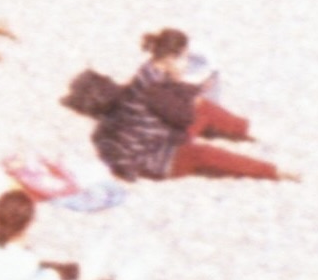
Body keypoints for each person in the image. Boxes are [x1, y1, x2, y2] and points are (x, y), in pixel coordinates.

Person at [91, 29, 296, 183]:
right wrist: (194, 90)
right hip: (150, 156)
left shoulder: (148, 70)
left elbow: (171, 96)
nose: (187, 63)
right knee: (203, 151)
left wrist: (191, 89)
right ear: (170, 59)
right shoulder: (155, 90)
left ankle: (248, 130)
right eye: (184, 58)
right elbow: (185, 116)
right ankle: (272, 170)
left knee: (199, 103)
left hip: (143, 140)